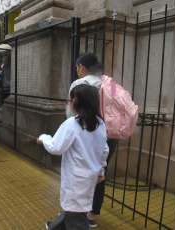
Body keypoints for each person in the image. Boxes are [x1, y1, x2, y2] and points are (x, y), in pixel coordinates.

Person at [38, 84, 109, 230]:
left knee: (76, 218)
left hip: (75, 180)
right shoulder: (100, 124)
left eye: (70, 100)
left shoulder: (72, 124)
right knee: (75, 210)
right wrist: (101, 172)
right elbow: (104, 151)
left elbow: (55, 147)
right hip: (90, 178)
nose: (69, 102)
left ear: (76, 102)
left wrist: (44, 138)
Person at [66, 52, 119, 227]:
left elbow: (71, 115)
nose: (77, 71)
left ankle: (77, 212)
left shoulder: (79, 84)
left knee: (81, 173)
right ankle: (92, 216)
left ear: (81, 67)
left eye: (77, 68)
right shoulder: (109, 83)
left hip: (86, 136)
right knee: (99, 174)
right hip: (109, 135)